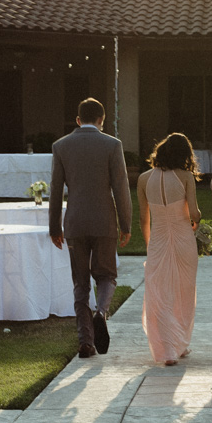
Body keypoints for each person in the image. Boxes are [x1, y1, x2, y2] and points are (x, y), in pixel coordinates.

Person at [49, 97, 132, 359]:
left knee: (80, 283)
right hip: (104, 220)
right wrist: (126, 224)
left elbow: (55, 190)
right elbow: (121, 189)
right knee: (106, 275)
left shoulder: (61, 146)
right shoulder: (112, 144)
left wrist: (54, 227)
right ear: (101, 121)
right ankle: (101, 312)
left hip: (75, 221)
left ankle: (86, 341)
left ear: (77, 120)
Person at [139, 133, 202, 366]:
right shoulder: (186, 177)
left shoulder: (144, 179)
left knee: (160, 293)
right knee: (184, 292)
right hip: (184, 239)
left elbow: (143, 220)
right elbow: (194, 214)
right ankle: (178, 344)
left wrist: (150, 247)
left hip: (158, 240)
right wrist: (197, 220)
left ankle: (168, 348)